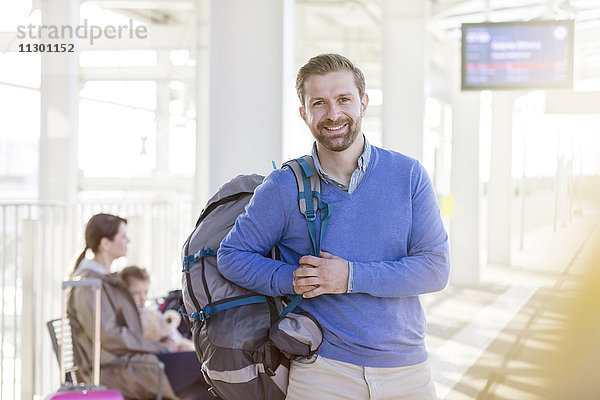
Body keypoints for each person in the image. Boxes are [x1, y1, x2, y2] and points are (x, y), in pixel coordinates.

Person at [218, 54, 450, 399]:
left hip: (408, 373)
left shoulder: (408, 175)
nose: (333, 113)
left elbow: (435, 269)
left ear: (363, 103)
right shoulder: (284, 186)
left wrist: (348, 276)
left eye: (344, 99)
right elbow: (231, 255)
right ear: (304, 113)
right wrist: (296, 278)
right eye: (319, 103)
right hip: (322, 373)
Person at [67, 213, 179, 399]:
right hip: (115, 369)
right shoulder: (89, 285)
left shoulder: (103, 279)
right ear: (105, 243)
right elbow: (109, 335)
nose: (128, 240)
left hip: (126, 362)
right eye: (123, 236)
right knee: (202, 370)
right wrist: (157, 347)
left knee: (203, 371)